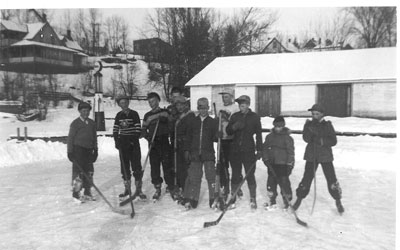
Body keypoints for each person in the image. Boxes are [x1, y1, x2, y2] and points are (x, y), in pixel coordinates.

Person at [292, 104, 344, 214]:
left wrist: (321, 140)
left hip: (325, 156)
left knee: (331, 178)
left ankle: (338, 200)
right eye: (313, 114)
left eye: (317, 114)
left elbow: (333, 141)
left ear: (322, 114)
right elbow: (305, 138)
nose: (314, 116)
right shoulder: (308, 124)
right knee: (307, 178)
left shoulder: (328, 125)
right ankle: (299, 199)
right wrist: (311, 135)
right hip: (312, 155)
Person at [226, 95, 262, 209]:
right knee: (235, 174)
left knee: (250, 174)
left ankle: (252, 197)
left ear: (248, 104)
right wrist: (234, 127)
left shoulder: (254, 117)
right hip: (235, 150)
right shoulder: (235, 116)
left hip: (249, 150)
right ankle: (233, 197)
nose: (242, 106)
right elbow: (228, 131)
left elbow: (259, 135)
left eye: (244, 104)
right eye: (240, 104)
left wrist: (260, 149)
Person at [182, 97, 218, 210]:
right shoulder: (193, 122)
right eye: (201, 108)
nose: (203, 110)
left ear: (208, 108)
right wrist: (187, 150)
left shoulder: (212, 122)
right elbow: (188, 137)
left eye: (205, 108)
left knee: (211, 176)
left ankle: (213, 197)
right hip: (195, 153)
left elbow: (215, 138)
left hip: (208, 153)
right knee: (194, 177)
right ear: (198, 108)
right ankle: (193, 198)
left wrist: (218, 135)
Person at [142, 92, 176, 200]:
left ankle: (170, 186)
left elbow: (172, 125)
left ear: (158, 100)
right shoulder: (147, 115)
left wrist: (166, 120)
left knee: (167, 165)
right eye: (150, 102)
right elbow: (143, 130)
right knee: (155, 166)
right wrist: (148, 137)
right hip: (153, 143)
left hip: (164, 141)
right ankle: (157, 187)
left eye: (153, 101)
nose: (152, 103)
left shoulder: (165, 112)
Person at [113, 96, 146, 201]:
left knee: (136, 166)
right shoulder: (119, 115)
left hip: (133, 143)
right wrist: (117, 140)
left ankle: (138, 190)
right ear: (119, 105)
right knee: (124, 167)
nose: (124, 105)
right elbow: (115, 129)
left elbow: (137, 128)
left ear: (128, 103)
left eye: (125, 102)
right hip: (123, 143)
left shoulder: (134, 114)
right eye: (122, 103)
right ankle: (127, 189)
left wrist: (133, 139)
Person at [262, 116, 295, 210]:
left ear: (283, 126)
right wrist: (266, 159)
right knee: (271, 182)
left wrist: (290, 164)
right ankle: (272, 200)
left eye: (280, 126)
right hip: (272, 163)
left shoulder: (287, 138)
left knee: (284, 182)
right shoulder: (269, 137)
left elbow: (291, 152)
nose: (278, 128)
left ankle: (287, 200)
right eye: (276, 126)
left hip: (283, 164)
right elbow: (265, 148)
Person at [67, 102, 98, 201]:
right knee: (78, 172)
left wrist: (95, 150)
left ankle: (87, 191)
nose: (86, 113)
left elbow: (94, 138)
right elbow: (70, 138)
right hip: (78, 150)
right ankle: (76, 193)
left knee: (89, 171)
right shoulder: (75, 123)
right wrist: (70, 152)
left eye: (87, 111)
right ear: (79, 111)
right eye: (83, 111)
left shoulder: (92, 123)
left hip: (89, 150)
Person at [217, 88, 240, 201]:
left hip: (232, 140)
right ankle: (224, 186)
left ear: (231, 97)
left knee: (235, 165)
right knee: (223, 165)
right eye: (223, 97)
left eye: (226, 96)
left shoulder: (235, 108)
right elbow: (218, 122)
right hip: (223, 140)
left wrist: (228, 118)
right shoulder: (220, 108)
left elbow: (236, 123)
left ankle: (236, 187)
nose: (224, 99)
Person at [173, 95, 195, 202]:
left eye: (181, 105)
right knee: (180, 168)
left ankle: (188, 191)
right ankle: (181, 188)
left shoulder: (190, 116)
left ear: (186, 105)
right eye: (177, 105)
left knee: (186, 169)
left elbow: (190, 134)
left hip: (186, 146)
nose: (179, 107)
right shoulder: (178, 116)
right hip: (178, 145)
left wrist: (187, 149)